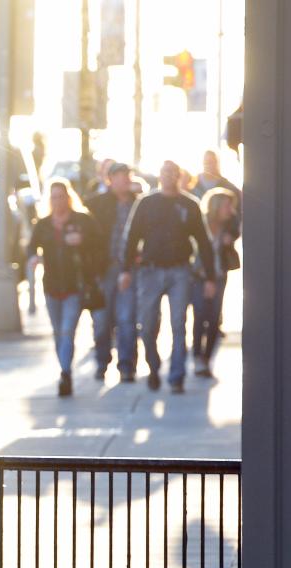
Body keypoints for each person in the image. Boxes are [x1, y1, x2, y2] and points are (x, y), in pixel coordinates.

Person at [120, 160, 218, 394]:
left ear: (179, 176)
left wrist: (210, 277)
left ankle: (176, 375)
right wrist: (125, 270)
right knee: (148, 324)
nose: (168, 176)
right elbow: (132, 237)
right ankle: (153, 367)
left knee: (178, 324)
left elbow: (203, 242)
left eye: (172, 173)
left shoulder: (189, 205)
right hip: (150, 271)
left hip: (180, 270)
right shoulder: (146, 204)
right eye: (164, 172)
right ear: (159, 176)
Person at [26, 179, 105, 397]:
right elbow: (31, 247)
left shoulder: (83, 221)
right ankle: (64, 367)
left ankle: (65, 373)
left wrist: (82, 240)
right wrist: (33, 258)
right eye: (54, 197)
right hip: (51, 286)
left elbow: (100, 245)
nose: (58, 201)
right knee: (58, 332)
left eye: (61, 196)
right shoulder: (43, 224)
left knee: (68, 331)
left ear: (69, 198)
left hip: (75, 286)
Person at [86, 161, 141, 382]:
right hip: (103, 270)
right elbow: (87, 237)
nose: (124, 180)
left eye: (126, 176)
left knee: (127, 319)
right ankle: (102, 362)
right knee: (101, 320)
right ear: (110, 180)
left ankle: (127, 365)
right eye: (119, 176)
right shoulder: (96, 205)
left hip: (130, 269)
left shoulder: (139, 204)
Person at [192, 188, 240, 378]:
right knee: (199, 315)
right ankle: (197, 356)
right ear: (217, 206)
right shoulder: (200, 223)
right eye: (227, 206)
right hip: (199, 276)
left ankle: (206, 359)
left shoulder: (230, 225)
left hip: (220, 275)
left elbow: (237, 226)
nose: (230, 209)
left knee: (214, 318)